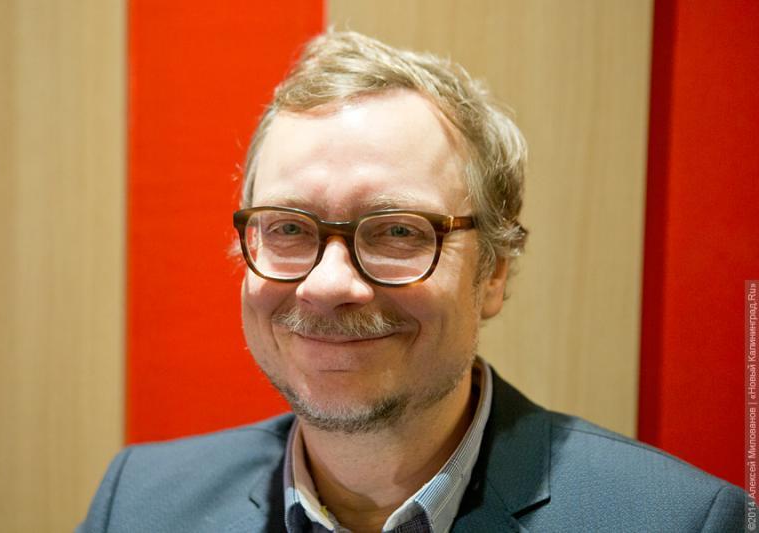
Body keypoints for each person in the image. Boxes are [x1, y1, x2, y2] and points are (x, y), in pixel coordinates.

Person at [79, 31, 746, 533]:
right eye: (288, 228)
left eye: (397, 230)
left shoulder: (681, 520)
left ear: (494, 270)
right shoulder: (138, 503)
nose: (327, 285)